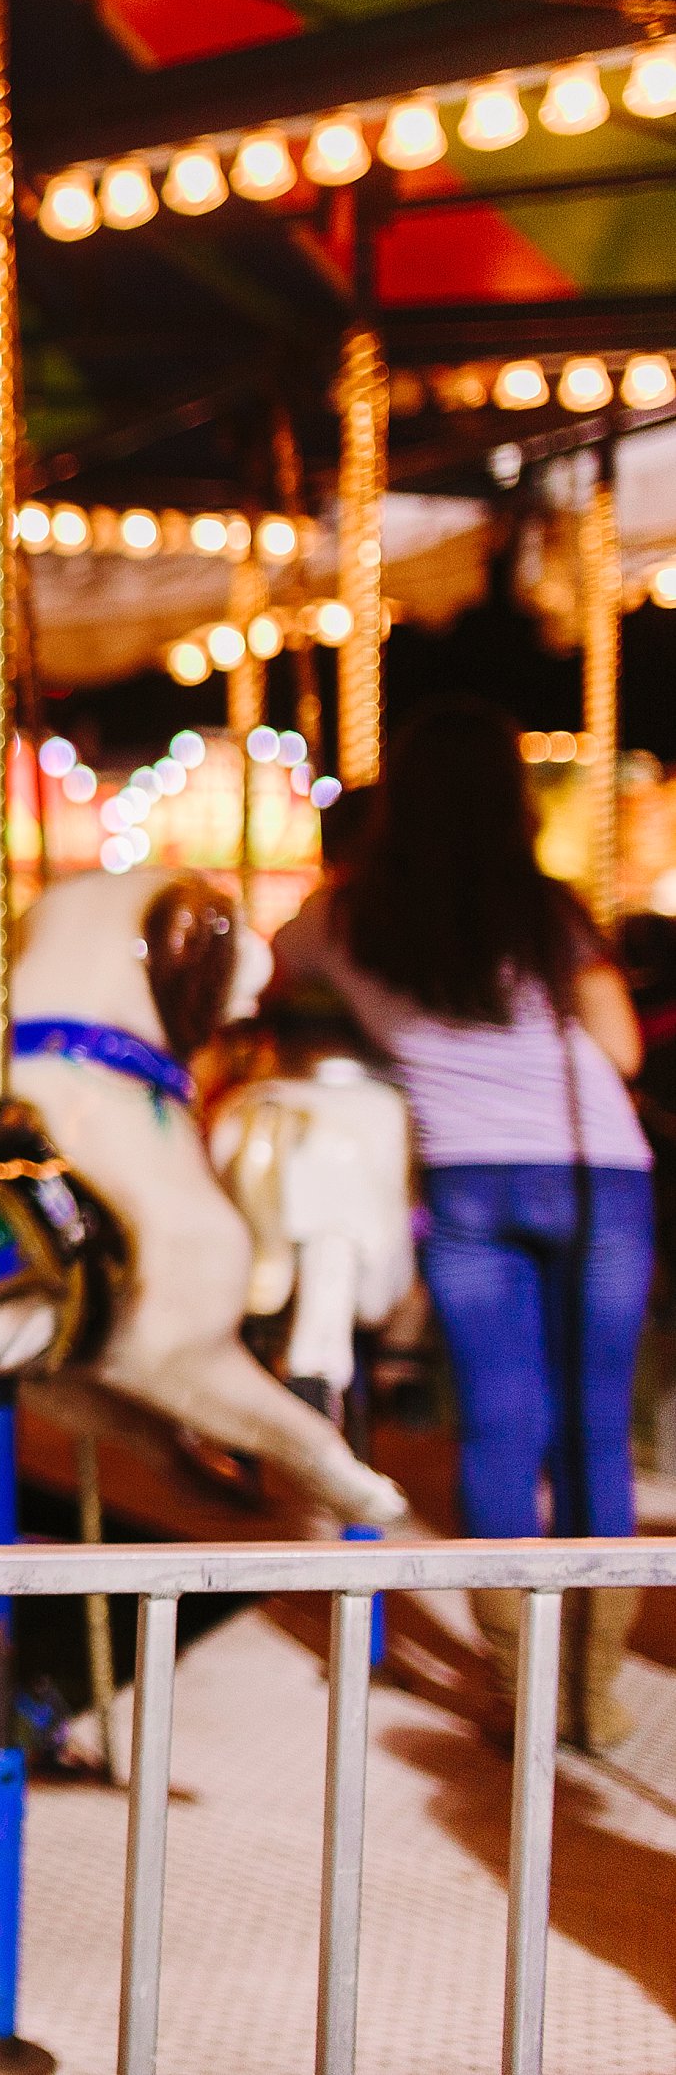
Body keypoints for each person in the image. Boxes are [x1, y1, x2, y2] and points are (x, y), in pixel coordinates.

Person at [272, 696, 653, 1753]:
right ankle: (593, 1692)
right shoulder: (548, 911)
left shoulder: (341, 917)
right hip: (594, 1177)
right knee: (592, 1430)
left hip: (469, 1184)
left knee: (496, 1428)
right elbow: (618, 1049)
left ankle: (516, 1688)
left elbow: (272, 980)